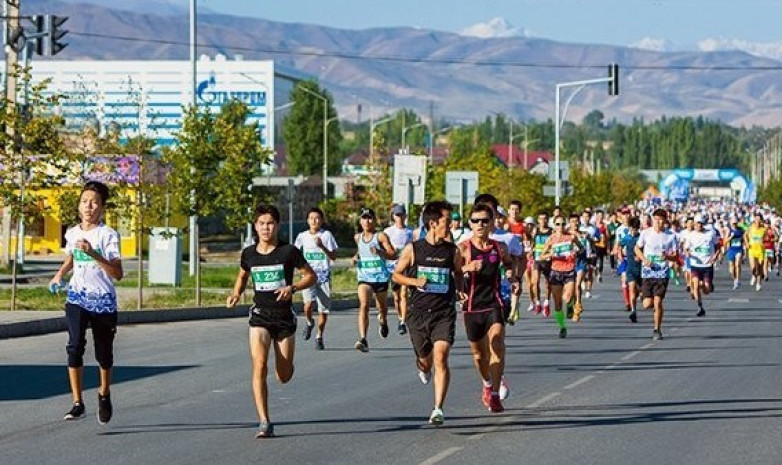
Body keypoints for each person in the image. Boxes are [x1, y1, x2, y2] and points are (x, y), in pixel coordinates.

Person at [227, 204, 317, 438]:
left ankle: (284, 368)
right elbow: (242, 274)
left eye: (270, 223)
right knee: (259, 365)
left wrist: (292, 287)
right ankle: (264, 421)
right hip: (260, 317)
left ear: (277, 225)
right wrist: (236, 293)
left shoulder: (289, 252)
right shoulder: (249, 253)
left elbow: (311, 276)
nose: (266, 228)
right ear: (255, 227)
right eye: (261, 223)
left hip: (284, 318)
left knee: (284, 375)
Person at [50, 181, 123, 425]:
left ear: (102, 207)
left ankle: (104, 393)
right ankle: (77, 402)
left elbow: (117, 273)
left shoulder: (108, 235)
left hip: (102, 301)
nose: (88, 206)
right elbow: (71, 257)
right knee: (74, 346)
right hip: (77, 297)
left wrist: (93, 253)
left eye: (94, 202)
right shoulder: (72, 232)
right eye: (84, 201)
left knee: (104, 354)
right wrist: (60, 274)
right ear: (79, 206)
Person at [392, 201, 465, 426]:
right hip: (419, 314)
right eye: (446, 221)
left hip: (443, 312)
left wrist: (461, 289)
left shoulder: (452, 250)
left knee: (441, 357)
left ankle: (438, 409)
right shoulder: (414, 249)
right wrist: (415, 281)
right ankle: (422, 367)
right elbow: (396, 275)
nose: (450, 225)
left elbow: (458, 272)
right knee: (425, 361)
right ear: (433, 224)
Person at [458, 203, 516, 413]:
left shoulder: (499, 247)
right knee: (479, 355)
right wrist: (467, 267)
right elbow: (452, 273)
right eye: (476, 221)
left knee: (497, 342)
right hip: (472, 306)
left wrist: (512, 275)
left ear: (492, 223)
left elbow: (510, 263)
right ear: (470, 224)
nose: (480, 224)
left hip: (494, 303)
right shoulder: (463, 248)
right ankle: (487, 383)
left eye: (485, 220)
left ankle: (494, 396)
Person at [294, 207, 339, 350]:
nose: (314, 220)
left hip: (323, 276)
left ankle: (319, 336)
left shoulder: (327, 235)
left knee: (323, 309)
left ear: (322, 220)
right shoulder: (302, 236)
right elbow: (295, 253)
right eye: (311, 218)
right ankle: (309, 322)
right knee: (307, 305)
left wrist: (322, 246)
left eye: (317, 218)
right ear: (307, 220)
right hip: (308, 276)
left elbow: (333, 257)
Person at [353, 207, 396, 352]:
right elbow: (360, 251)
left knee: (382, 307)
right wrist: (355, 257)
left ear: (375, 220)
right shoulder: (357, 237)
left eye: (370, 218)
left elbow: (393, 254)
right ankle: (363, 339)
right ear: (360, 221)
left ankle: (383, 321)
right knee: (364, 304)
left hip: (380, 277)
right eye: (364, 218)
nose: (367, 221)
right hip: (364, 277)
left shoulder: (381, 236)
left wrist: (379, 252)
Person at [635, 208, 678, 341]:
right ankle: (647, 297)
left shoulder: (671, 236)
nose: (658, 222)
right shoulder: (645, 233)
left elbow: (676, 256)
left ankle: (657, 329)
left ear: (665, 221)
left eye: (661, 220)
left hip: (662, 273)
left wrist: (668, 257)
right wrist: (644, 259)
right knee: (647, 304)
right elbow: (636, 248)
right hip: (648, 272)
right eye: (656, 219)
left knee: (658, 301)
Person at [539, 215, 583, 338]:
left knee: (567, 297)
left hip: (569, 270)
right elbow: (541, 255)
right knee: (558, 304)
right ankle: (562, 327)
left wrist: (576, 252)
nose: (560, 227)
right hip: (556, 272)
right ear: (554, 225)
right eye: (558, 224)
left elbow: (582, 249)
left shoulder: (571, 237)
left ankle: (570, 305)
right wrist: (550, 253)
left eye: (563, 224)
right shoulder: (551, 238)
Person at [384, 204, 414, 335]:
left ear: (405, 216)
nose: (399, 218)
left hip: (405, 266)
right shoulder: (388, 232)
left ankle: (403, 321)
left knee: (404, 294)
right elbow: (384, 247)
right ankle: (399, 315)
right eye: (397, 215)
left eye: (401, 215)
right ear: (393, 216)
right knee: (396, 297)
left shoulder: (410, 232)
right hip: (392, 267)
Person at [683, 214, 718, 317]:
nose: (699, 225)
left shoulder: (711, 233)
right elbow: (686, 248)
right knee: (696, 284)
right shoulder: (691, 235)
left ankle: (707, 284)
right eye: (697, 223)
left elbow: (717, 246)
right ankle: (699, 306)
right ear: (694, 224)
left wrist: (715, 256)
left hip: (707, 265)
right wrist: (687, 253)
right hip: (695, 264)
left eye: (701, 224)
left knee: (706, 290)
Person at [620, 217, 642, 323]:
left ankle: (640, 294)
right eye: (632, 229)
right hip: (630, 267)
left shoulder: (642, 238)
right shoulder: (627, 238)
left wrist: (641, 257)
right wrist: (621, 258)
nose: (634, 231)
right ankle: (633, 311)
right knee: (631, 288)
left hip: (642, 268)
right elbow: (618, 246)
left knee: (640, 291)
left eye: (636, 229)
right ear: (629, 228)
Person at [530, 212, 553, 315]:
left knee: (548, 284)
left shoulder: (551, 231)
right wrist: (531, 251)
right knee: (535, 282)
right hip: (537, 259)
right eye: (540, 219)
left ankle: (547, 303)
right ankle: (538, 303)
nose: (542, 221)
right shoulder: (535, 231)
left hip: (548, 260)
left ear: (547, 220)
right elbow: (532, 243)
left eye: (544, 219)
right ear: (538, 220)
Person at [745, 212, 767, 292]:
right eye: (756, 219)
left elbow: (766, 238)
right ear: (754, 219)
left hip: (761, 251)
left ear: (761, 220)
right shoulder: (751, 227)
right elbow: (745, 235)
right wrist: (747, 243)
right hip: (752, 250)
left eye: (759, 219)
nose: (757, 220)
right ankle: (753, 275)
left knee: (760, 268)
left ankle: (758, 284)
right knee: (753, 267)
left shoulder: (764, 229)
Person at [724, 217, 744, 289]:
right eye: (733, 224)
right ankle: (735, 279)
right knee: (731, 268)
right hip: (731, 250)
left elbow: (744, 239)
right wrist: (730, 237)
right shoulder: (729, 230)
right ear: (731, 223)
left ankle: (738, 279)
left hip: (739, 249)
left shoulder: (741, 230)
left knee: (738, 264)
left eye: (735, 223)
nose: (734, 225)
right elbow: (725, 241)